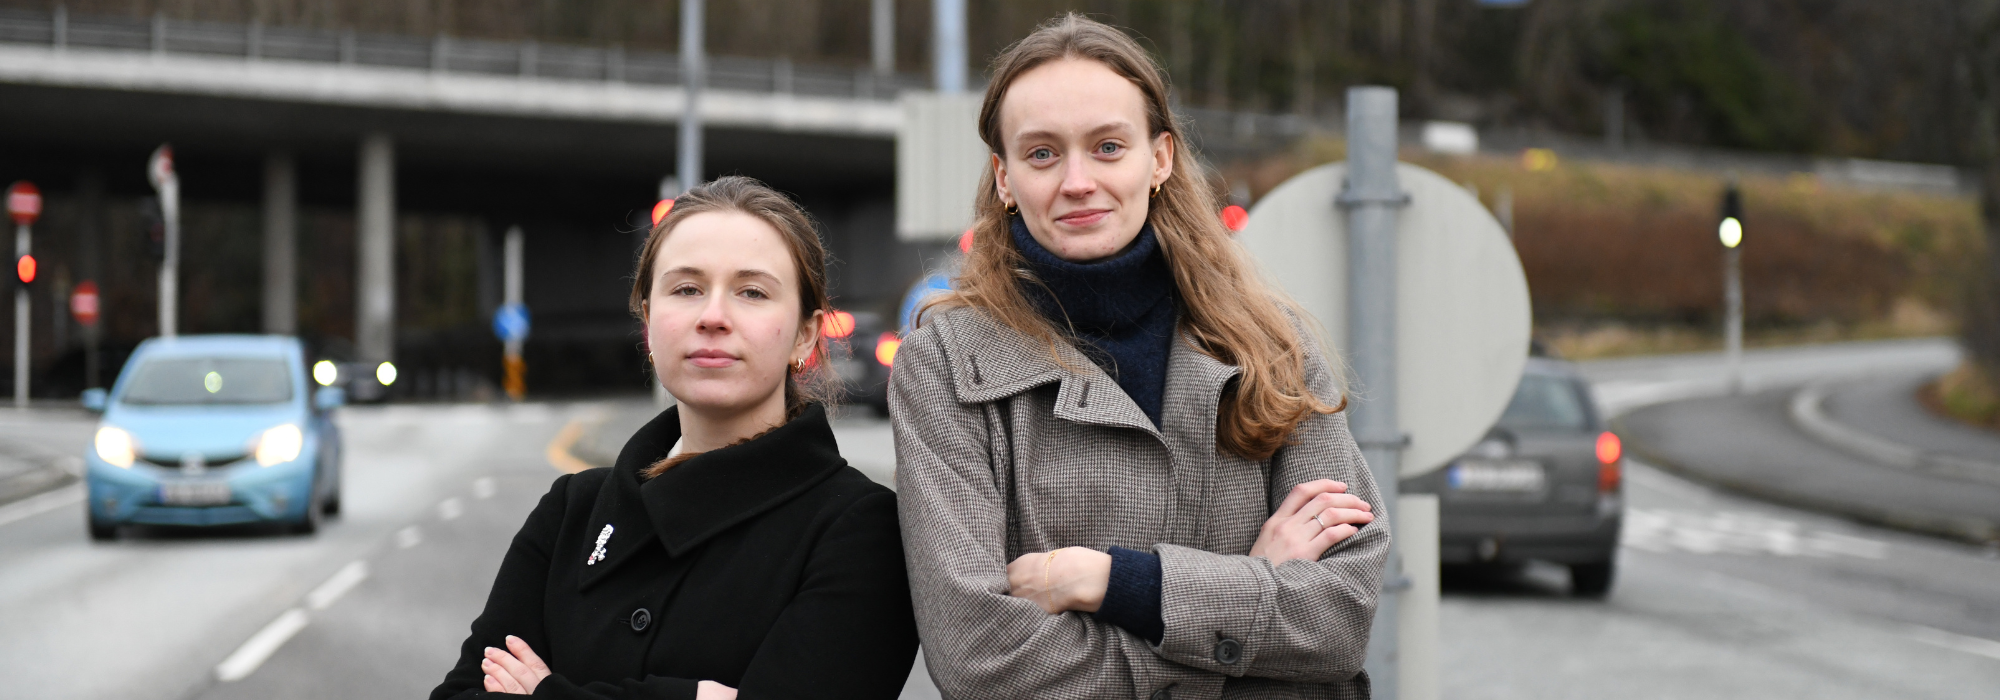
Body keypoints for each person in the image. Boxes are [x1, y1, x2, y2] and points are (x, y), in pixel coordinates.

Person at [890, 14, 1389, 699]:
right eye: (1041, 155)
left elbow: (1338, 621)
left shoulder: (1272, 344)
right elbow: (983, 663)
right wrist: (1241, 599)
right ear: (1004, 179)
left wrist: (1107, 580)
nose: (1077, 181)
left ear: (1160, 159)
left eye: (1107, 147)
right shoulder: (943, 366)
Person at [432, 176, 919, 700]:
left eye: (752, 292)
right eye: (686, 289)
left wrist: (549, 692)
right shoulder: (571, 513)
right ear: (647, 320)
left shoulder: (861, 532)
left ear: (805, 333)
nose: (712, 317)